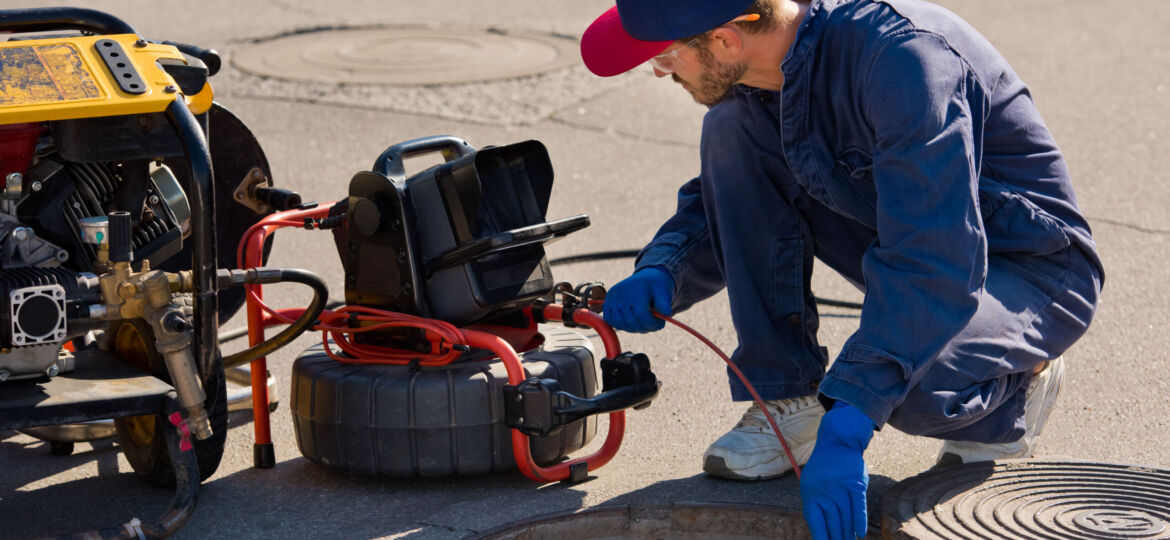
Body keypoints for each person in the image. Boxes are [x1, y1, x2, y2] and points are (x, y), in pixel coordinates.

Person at [580, 0, 1104, 538]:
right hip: (906, 234)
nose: (660, 71)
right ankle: (789, 396)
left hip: (1030, 268)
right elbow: (739, 188)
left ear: (726, 40)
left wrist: (850, 418)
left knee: (909, 388)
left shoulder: (905, 62)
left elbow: (932, 256)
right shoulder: (774, 65)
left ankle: (1018, 382)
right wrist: (666, 269)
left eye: (666, 57)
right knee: (731, 126)